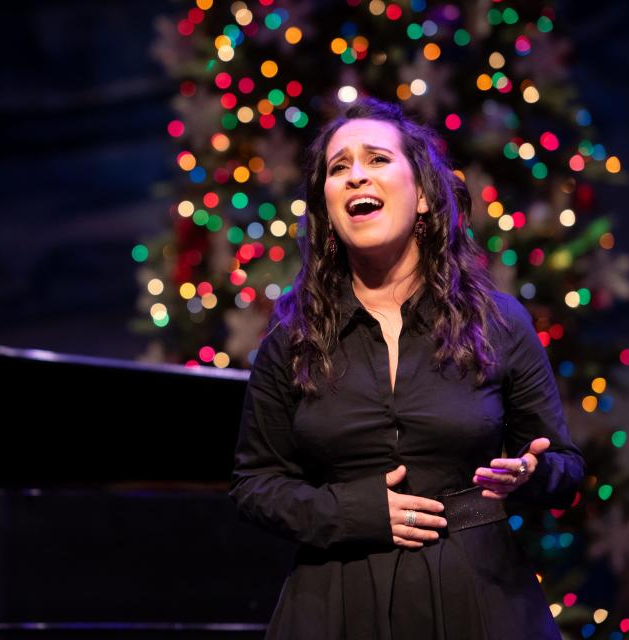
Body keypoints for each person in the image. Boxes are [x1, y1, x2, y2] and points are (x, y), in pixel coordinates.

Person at [229, 97, 584, 639]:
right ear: (324, 208)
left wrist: (532, 474)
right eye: (338, 167)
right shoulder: (292, 337)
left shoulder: (497, 321)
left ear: (421, 195)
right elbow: (256, 484)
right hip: (336, 604)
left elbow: (564, 466)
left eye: (375, 159)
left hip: (478, 598)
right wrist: (350, 512)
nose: (354, 177)